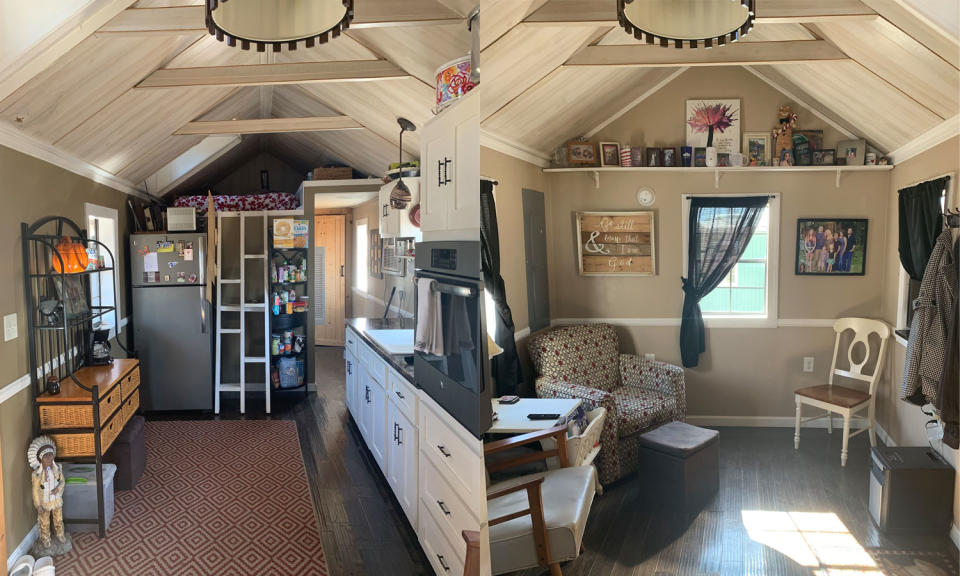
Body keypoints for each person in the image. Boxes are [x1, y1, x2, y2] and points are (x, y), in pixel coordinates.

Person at [28, 435, 71, 556]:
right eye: (46, 456)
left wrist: (58, 488)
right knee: (44, 521)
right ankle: (45, 539)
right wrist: (38, 505)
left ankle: (60, 535)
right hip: (44, 502)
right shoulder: (37, 475)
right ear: (41, 459)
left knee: (58, 519)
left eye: (51, 455)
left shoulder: (58, 468)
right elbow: (35, 491)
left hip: (56, 500)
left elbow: (62, 481)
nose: (49, 458)